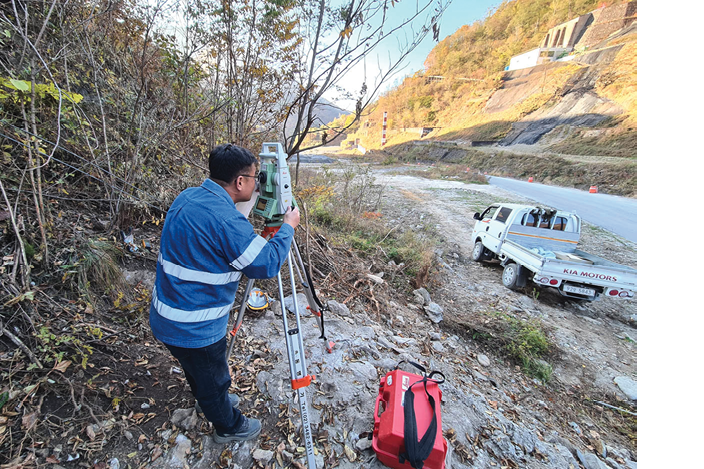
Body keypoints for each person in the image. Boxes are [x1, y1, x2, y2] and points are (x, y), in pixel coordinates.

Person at [149, 143, 300, 443]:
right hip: (195, 328)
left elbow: (223, 230)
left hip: (166, 315)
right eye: (255, 178)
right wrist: (288, 227)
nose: (258, 183)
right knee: (214, 379)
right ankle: (228, 426)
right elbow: (266, 263)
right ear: (240, 182)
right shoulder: (226, 222)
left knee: (198, 371)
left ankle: (209, 399)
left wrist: (250, 197)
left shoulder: (188, 196)